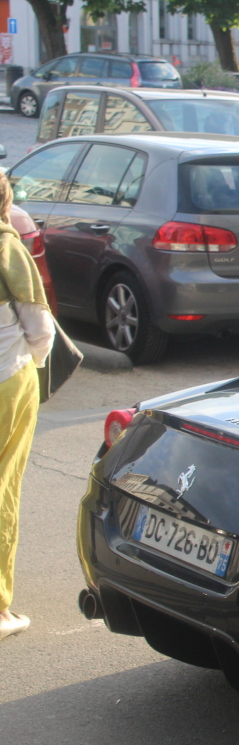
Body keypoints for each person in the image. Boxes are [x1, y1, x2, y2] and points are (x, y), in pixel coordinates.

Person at [0, 172, 53, 642]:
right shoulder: (6, 246)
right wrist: (36, 363)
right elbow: (40, 326)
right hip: (6, 380)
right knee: (3, 490)